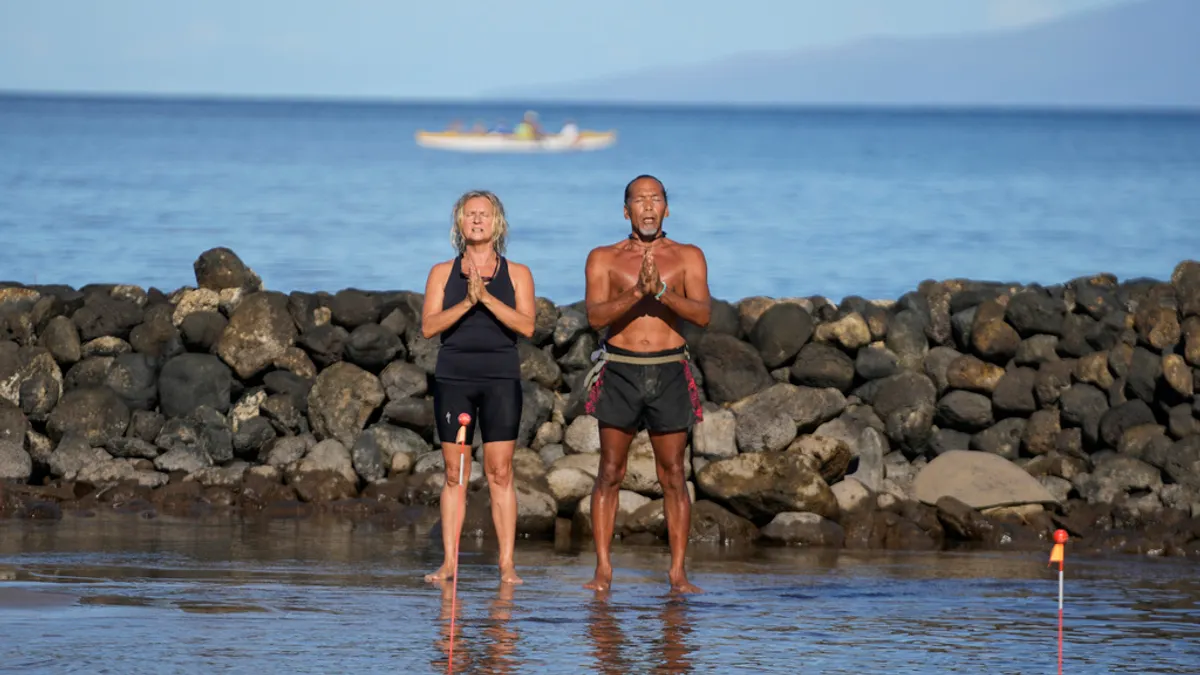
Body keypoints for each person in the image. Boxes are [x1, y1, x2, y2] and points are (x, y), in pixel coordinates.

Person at [580, 174, 711, 594]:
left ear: (667, 208)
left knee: (673, 474)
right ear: (626, 211)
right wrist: (638, 291)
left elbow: (703, 314)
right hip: (620, 369)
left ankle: (677, 573)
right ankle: (603, 569)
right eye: (640, 200)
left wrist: (664, 292)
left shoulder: (689, 256)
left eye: (655, 199)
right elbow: (596, 317)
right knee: (610, 472)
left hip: (670, 369)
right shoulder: (603, 257)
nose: (648, 206)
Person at [420, 189, 537, 585]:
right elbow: (429, 326)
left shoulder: (517, 273)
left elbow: (526, 326)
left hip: (501, 379)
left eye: (483, 214)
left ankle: (506, 565)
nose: (476, 220)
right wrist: (468, 303)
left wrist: (484, 297)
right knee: (455, 473)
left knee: (500, 472)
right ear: (459, 222)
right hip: (455, 378)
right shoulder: (441, 272)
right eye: (470, 214)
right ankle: (450, 563)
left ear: (497, 223)